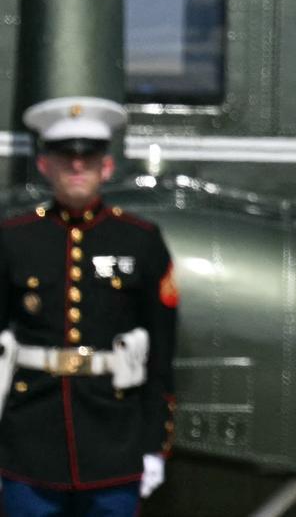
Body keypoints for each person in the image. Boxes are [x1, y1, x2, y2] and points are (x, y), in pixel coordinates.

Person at [0, 97, 178, 516]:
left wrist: (155, 446)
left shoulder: (140, 240)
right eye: (65, 157)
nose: (77, 166)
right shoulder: (14, 239)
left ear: (107, 167)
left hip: (114, 443)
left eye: (89, 157)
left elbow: (162, 354)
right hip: (29, 444)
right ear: (45, 165)